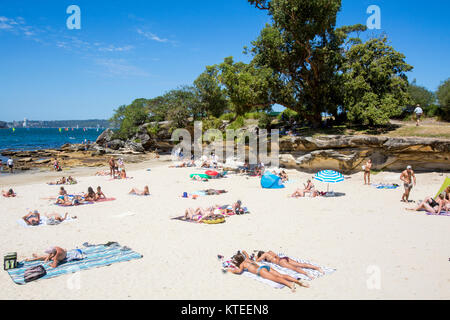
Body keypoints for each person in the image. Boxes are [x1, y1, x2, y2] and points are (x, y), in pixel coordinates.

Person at [225, 251, 308, 292]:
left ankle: (290, 284)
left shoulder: (242, 264)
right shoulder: (247, 259)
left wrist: (230, 270)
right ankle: (298, 281)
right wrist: (243, 251)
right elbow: (246, 254)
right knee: (281, 275)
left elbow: (239, 271)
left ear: (238, 261)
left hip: (260, 271)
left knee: (277, 278)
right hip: (265, 267)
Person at [256, 251, 324, 279]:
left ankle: (307, 274)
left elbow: (257, 260)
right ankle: (317, 268)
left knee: (294, 268)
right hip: (284, 258)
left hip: (281, 262)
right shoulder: (270, 252)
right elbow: (276, 256)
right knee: (300, 264)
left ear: (261, 254)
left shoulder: (264, 255)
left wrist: (257, 257)